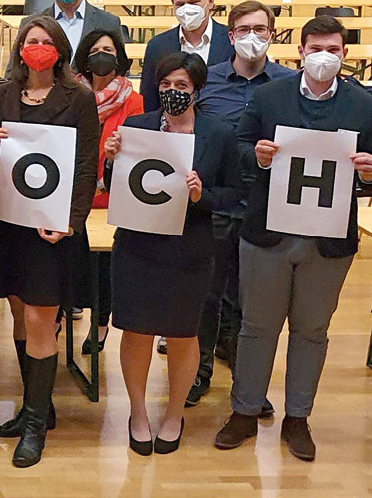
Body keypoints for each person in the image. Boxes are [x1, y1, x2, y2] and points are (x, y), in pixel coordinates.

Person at [215, 15, 372, 462]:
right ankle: (244, 410)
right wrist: (255, 154)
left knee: (311, 330)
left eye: (333, 49)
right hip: (267, 232)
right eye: (315, 48)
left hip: (328, 240)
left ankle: (298, 417)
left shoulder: (365, 106)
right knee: (257, 327)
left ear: (345, 54)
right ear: (301, 52)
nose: (324, 57)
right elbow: (237, 145)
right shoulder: (269, 95)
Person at [103, 51, 242, 457]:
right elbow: (117, 185)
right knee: (137, 330)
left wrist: (202, 194)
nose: (172, 92)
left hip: (191, 248)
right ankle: (137, 412)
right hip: (138, 244)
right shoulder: (136, 126)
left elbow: (234, 194)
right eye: (165, 84)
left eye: (181, 86)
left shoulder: (218, 134)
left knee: (184, 334)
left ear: (197, 90)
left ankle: (175, 413)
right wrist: (112, 161)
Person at [0, 14, 99, 468]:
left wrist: (72, 220)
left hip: (53, 227)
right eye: (30, 41)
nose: (37, 48)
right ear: (19, 50)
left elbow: (87, 164)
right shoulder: (2, 94)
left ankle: (33, 427)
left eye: (45, 41)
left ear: (59, 50)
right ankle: (39, 406)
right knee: (18, 311)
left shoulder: (79, 98)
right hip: (9, 220)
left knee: (39, 318)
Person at [190, 0, 295, 406]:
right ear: (230, 35)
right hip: (215, 202)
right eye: (244, 29)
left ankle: (246, 382)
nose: (253, 37)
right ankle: (198, 372)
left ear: (272, 34)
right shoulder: (207, 81)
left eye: (261, 29)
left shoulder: (288, 84)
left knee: (253, 302)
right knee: (207, 294)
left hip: (266, 204)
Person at [70, 28, 143, 355]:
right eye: (96, 49)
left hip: (111, 201)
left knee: (103, 270)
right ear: (85, 57)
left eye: (109, 50)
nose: (103, 55)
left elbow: (141, 151)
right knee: (69, 264)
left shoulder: (134, 100)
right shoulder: (70, 96)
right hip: (71, 198)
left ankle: (99, 327)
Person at [141, 0, 232, 111]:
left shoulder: (231, 41)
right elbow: (150, 99)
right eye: (180, 4)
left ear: (211, 2)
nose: (187, 9)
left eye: (194, 2)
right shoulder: (157, 45)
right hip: (172, 127)